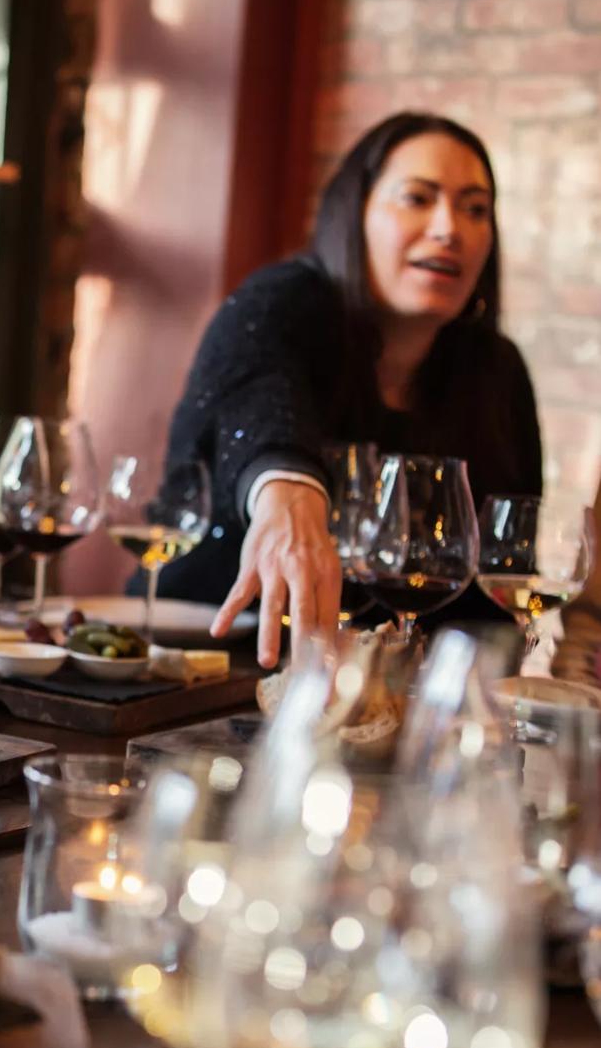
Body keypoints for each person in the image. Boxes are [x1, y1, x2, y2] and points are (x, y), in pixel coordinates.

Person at [157, 111, 541, 668]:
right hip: (208, 671)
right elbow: (262, 405)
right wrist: (286, 490)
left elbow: (504, 578)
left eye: (475, 209)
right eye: (418, 198)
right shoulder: (282, 303)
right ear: (354, 213)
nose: (448, 228)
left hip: (403, 710)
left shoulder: (497, 371)